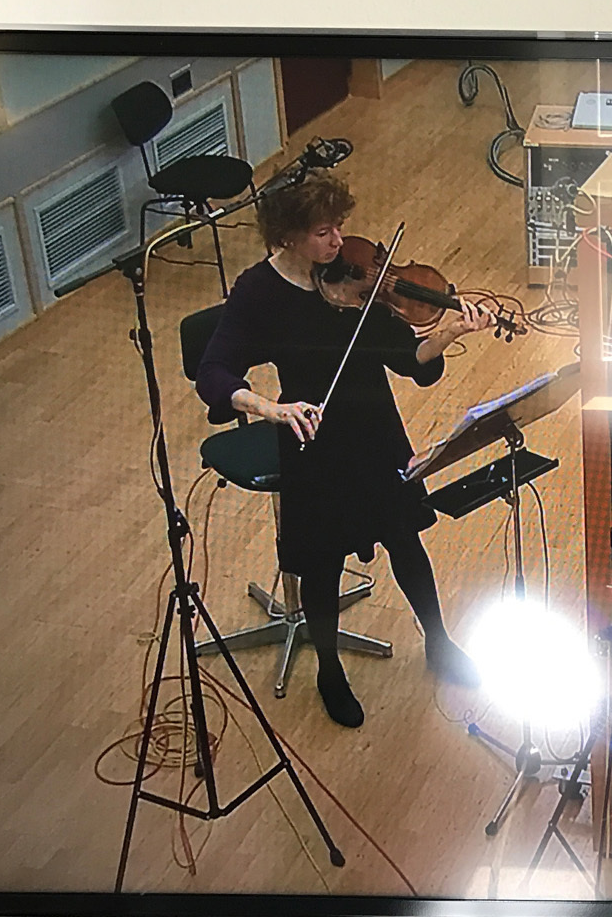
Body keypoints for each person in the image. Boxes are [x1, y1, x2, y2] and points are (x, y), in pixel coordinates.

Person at [197, 172, 495, 728]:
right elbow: (213, 373)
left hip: (376, 429)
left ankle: (438, 641)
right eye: (322, 232)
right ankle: (329, 669)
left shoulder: (356, 281)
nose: (338, 244)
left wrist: (449, 333)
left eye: (339, 228)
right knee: (323, 563)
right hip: (313, 440)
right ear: (286, 237)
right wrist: (269, 408)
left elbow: (409, 359)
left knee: (406, 539)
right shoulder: (259, 292)